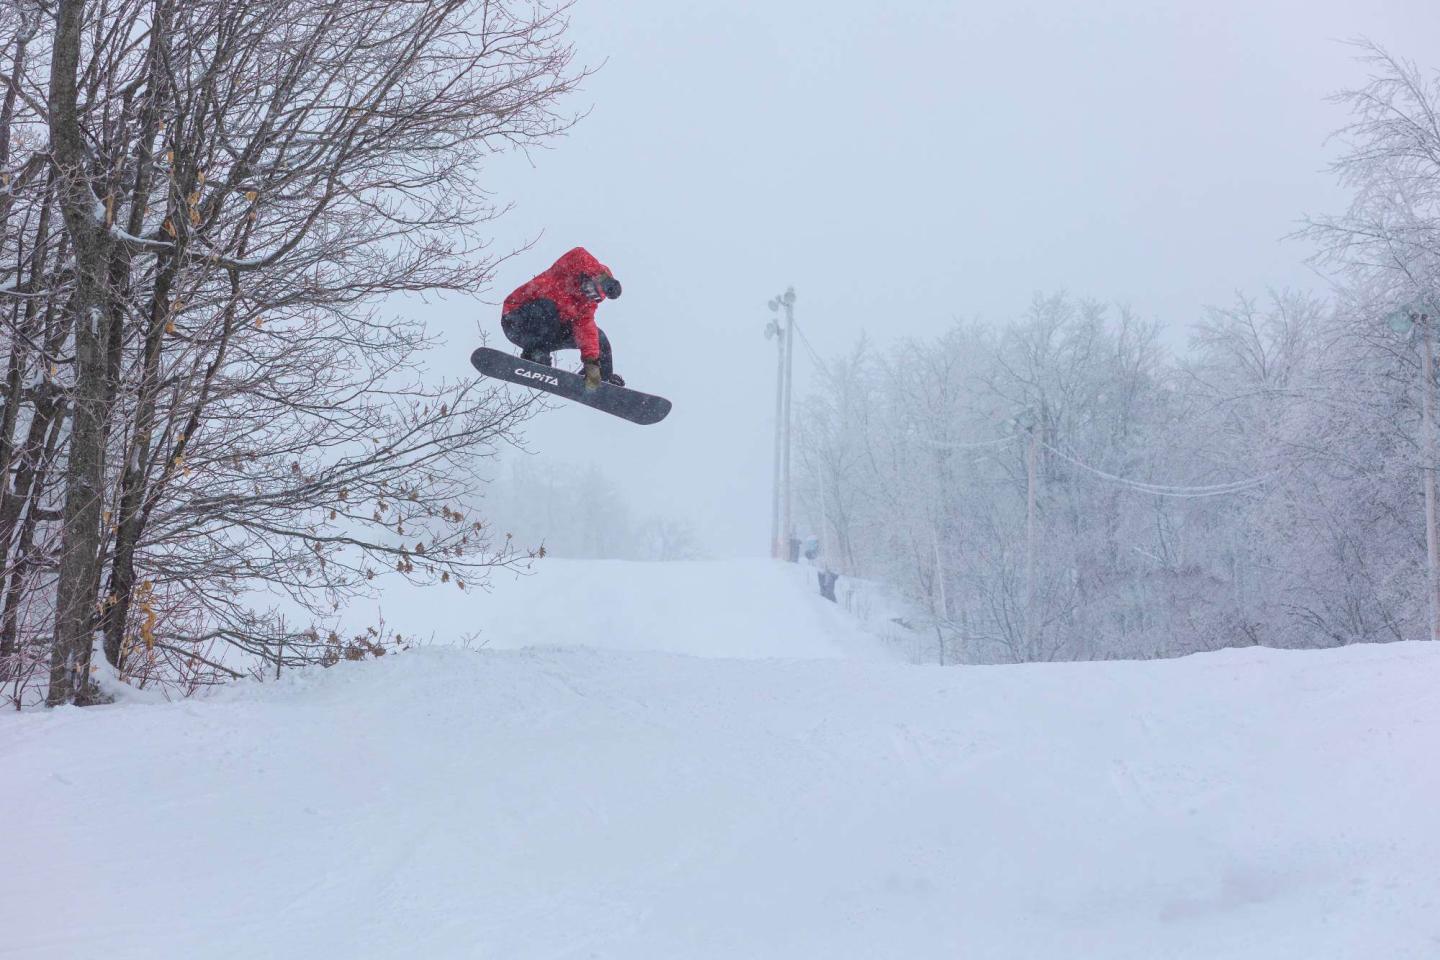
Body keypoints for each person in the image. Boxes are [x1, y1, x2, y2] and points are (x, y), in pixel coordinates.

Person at [501, 246, 624, 389]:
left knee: (598, 337)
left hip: (549, 336)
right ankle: (534, 354)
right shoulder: (567, 271)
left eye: (594, 295)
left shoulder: (585, 305)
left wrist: (591, 364)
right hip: (517, 321)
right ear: (590, 276)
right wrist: (604, 278)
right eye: (591, 288)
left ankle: (599, 380)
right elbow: (579, 254)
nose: (589, 293)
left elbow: (586, 332)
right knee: (548, 307)